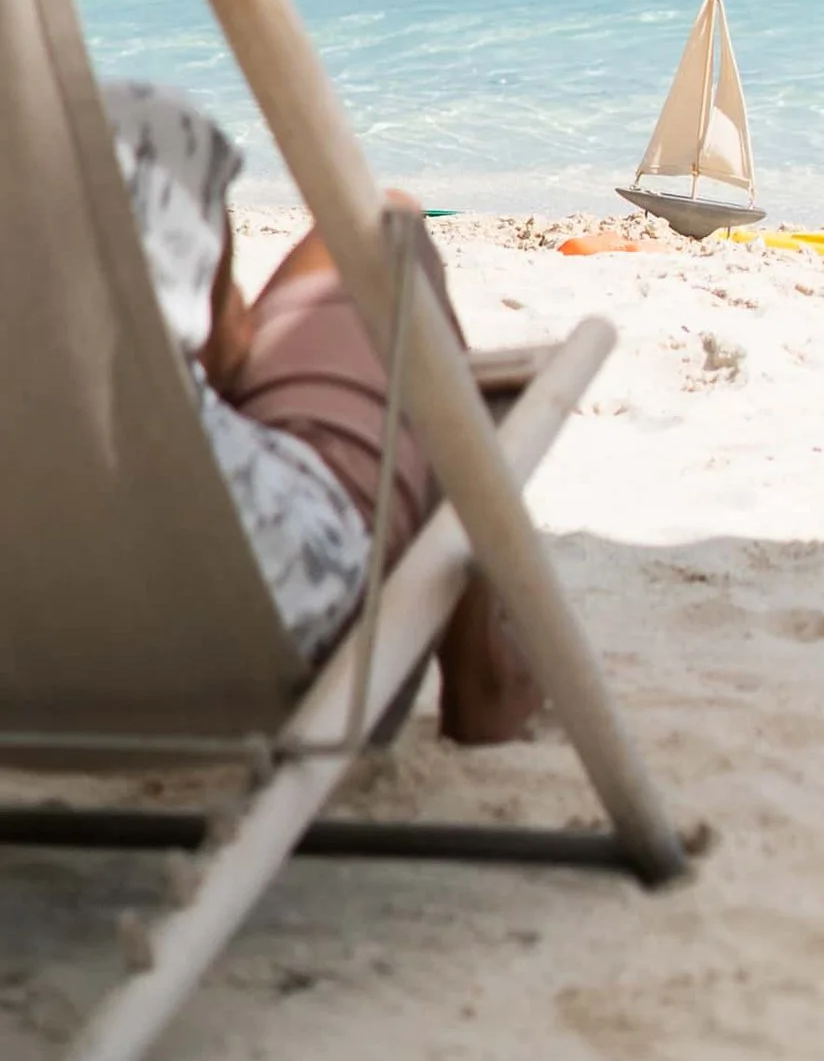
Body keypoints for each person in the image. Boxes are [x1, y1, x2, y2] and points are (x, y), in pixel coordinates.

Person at [104, 78, 539, 740]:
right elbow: (220, 359)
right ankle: (483, 668)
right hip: (256, 590)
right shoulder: (127, 129)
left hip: (26, 629)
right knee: (383, 228)